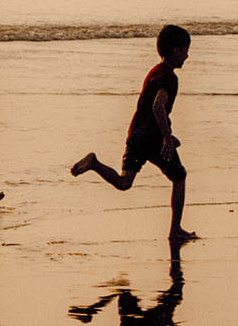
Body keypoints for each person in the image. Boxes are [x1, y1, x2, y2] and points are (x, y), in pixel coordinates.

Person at [72, 25, 195, 243]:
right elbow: (158, 107)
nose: (187, 56)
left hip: (136, 134)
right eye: (185, 50)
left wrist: (169, 133)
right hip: (153, 138)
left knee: (124, 182)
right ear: (176, 51)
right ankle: (175, 230)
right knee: (180, 177)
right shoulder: (169, 77)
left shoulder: (155, 71)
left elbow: (151, 108)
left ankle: (94, 163)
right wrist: (166, 137)